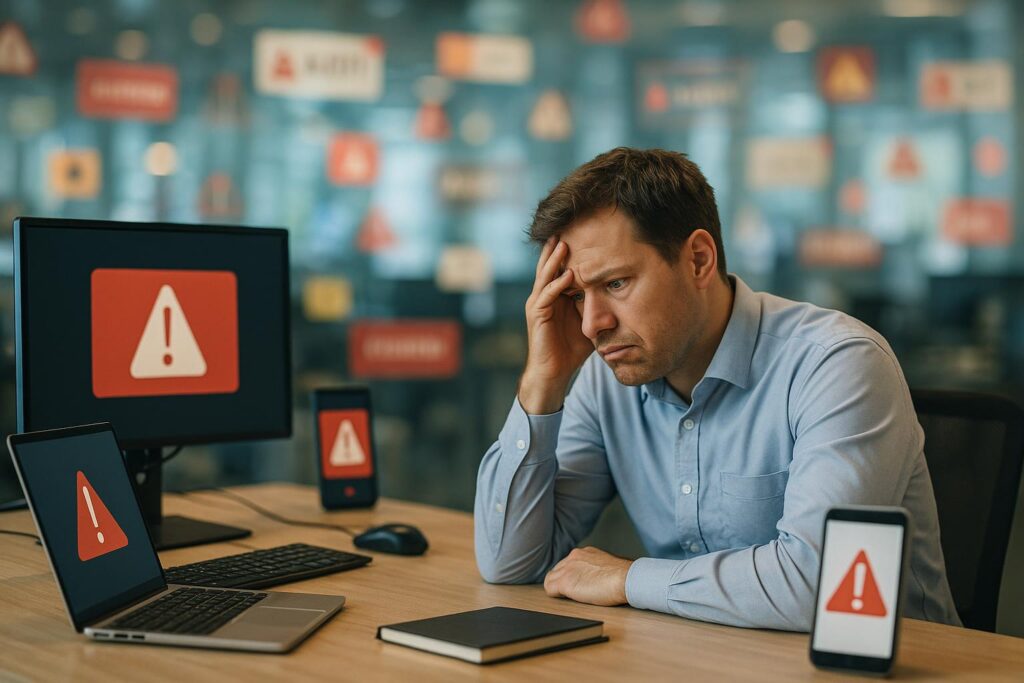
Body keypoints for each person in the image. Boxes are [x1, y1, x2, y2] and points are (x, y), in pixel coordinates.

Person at [473, 147, 960, 630]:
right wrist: (543, 382)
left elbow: (822, 585)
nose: (591, 325)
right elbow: (510, 563)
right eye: (577, 297)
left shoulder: (836, 363)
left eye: (617, 283)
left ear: (699, 260)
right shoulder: (608, 380)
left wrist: (628, 579)